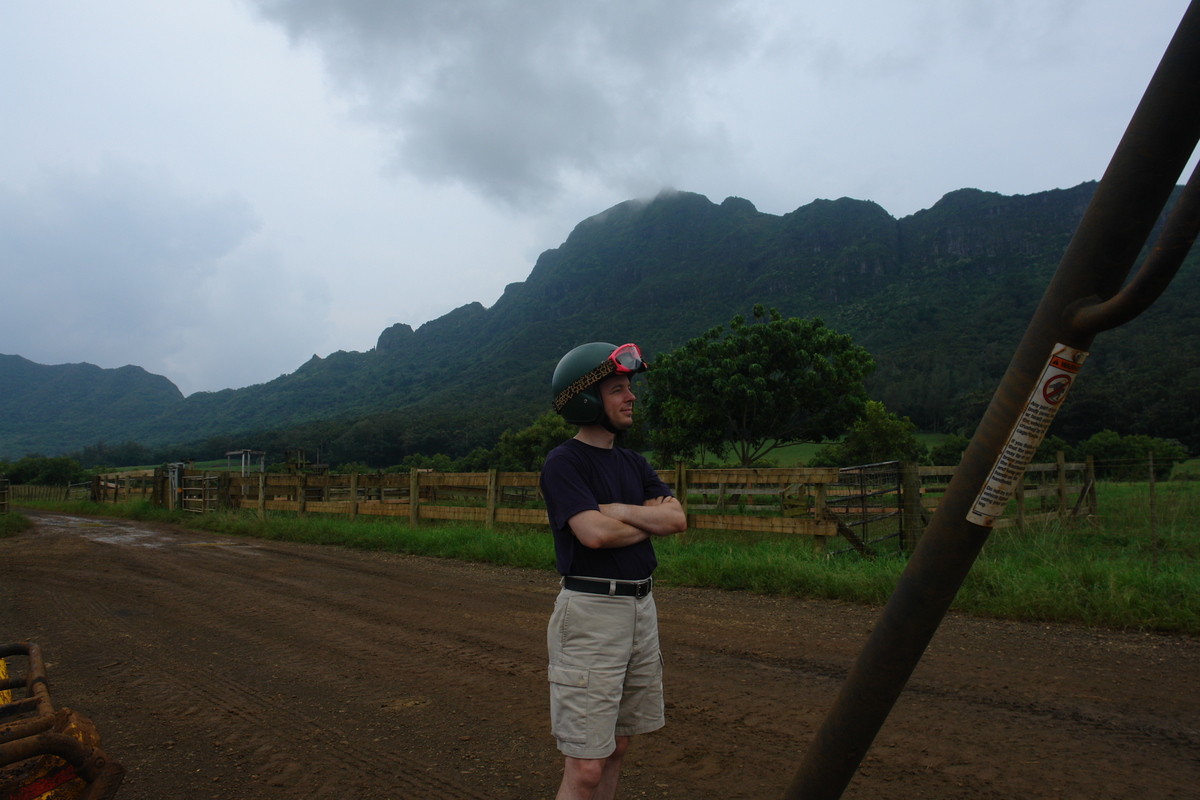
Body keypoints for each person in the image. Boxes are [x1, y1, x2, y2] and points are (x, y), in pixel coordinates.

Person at [539, 342, 687, 800]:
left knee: (618, 746)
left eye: (629, 388)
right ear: (587, 400)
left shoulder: (633, 463)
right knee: (586, 766)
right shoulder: (563, 463)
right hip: (591, 614)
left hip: (641, 610)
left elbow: (677, 520)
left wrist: (618, 509)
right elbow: (594, 535)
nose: (631, 397)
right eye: (617, 389)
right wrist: (647, 519)